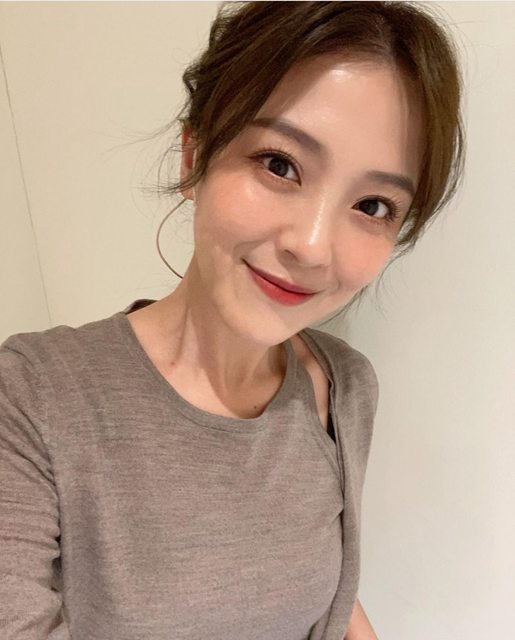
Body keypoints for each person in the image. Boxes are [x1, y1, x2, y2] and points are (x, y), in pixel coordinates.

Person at [0, 2, 464, 639]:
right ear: (194, 156)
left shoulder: (345, 389)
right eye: (280, 164)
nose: (312, 246)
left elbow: (332, 599)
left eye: (373, 204)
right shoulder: (32, 396)